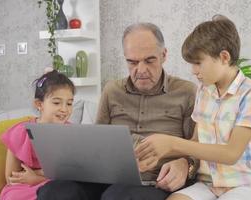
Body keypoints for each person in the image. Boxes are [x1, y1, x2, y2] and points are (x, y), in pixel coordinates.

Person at [37, 22, 198, 200]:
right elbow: (96, 141)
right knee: (53, 192)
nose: (141, 70)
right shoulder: (112, 90)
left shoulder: (187, 92)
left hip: (155, 181)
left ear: (164, 55)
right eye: (132, 62)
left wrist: (186, 164)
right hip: (107, 178)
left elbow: (198, 147)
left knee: (117, 197)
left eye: (149, 60)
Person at [135, 15, 251, 200]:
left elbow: (231, 154)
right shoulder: (204, 91)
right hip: (208, 185)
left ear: (224, 57)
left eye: (198, 63)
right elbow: (196, 141)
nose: (193, 70)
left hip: (246, 185)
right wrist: (159, 151)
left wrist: (171, 143)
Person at [0, 70, 76, 200]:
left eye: (69, 103)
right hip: (24, 186)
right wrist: (33, 178)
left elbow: (72, 173)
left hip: (55, 185)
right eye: (57, 103)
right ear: (39, 104)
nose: (64, 109)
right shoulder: (21, 131)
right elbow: (11, 177)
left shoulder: (73, 133)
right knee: (13, 196)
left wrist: (37, 177)